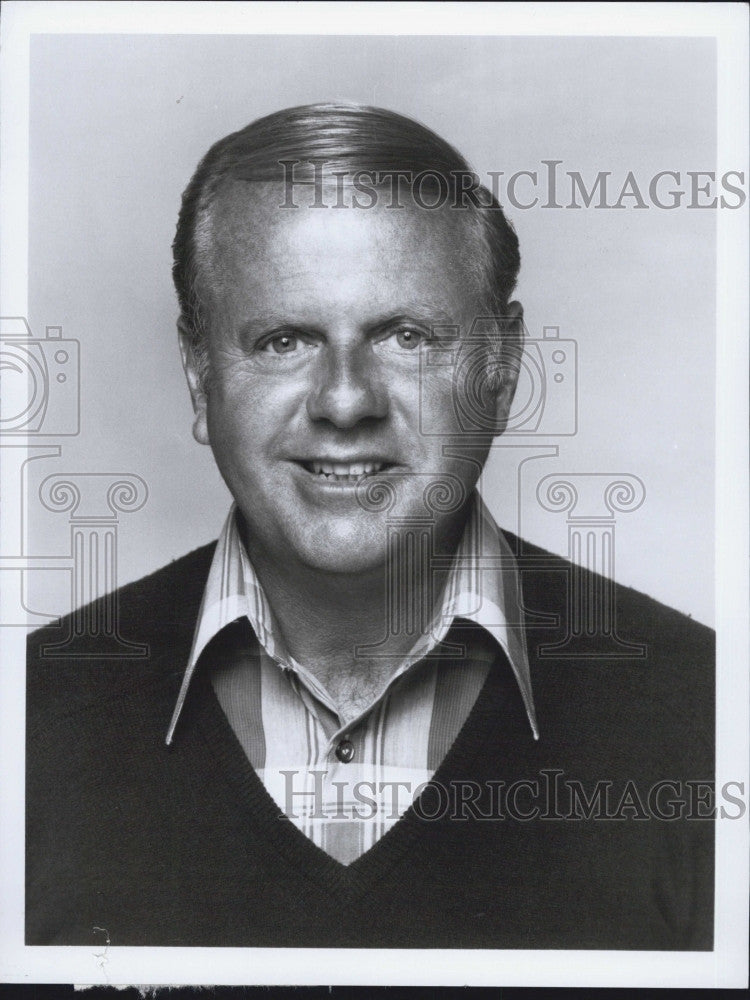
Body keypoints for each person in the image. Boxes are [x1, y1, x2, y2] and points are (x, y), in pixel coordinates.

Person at [26, 103, 714, 949]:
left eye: (405, 336)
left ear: (502, 371)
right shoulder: (24, 722)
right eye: (283, 340)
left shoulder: (711, 717)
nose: (345, 400)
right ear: (200, 378)